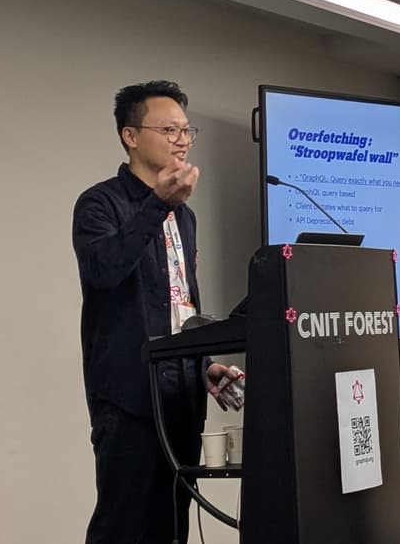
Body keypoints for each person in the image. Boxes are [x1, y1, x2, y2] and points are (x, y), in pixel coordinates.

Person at [73, 80, 232, 544]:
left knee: (172, 525)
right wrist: (156, 205)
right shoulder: (99, 204)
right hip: (129, 398)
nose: (182, 141)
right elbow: (104, 271)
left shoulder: (184, 214)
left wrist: (203, 363)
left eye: (187, 131)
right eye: (169, 130)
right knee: (123, 527)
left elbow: (180, 301)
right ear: (131, 136)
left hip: (182, 395)